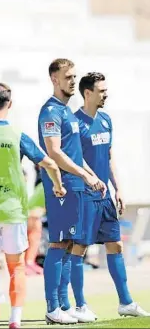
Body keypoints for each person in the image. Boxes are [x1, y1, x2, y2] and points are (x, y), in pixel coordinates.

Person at [0, 83, 67, 329]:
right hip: (12, 210)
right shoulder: (17, 135)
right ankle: (15, 319)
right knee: (16, 265)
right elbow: (48, 163)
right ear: (10, 104)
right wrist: (58, 185)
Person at [59, 72, 149, 317]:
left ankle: (126, 303)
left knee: (116, 245)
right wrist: (92, 179)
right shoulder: (74, 123)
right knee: (79, 248)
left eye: (106, 90)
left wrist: (117, 187)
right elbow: (75, 159)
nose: (106, 95)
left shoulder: (107, 120)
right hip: (83, 195)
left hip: (105, 196)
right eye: (101, 91)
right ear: (87, 93)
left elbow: (109, 156)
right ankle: (79, 305)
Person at [37, 58, 106, 325]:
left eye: (74, 76)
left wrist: (91, 175)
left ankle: (65, 305)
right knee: (58, 243)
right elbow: (54, 151)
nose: (73, 81)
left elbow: (76, 154)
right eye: (68, 77)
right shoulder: (50, 112)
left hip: (76, 185)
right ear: (54, 79)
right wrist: (82, 175)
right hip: (61, 188)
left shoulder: (68, 111)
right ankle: (52, 307)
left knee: (69, 245)